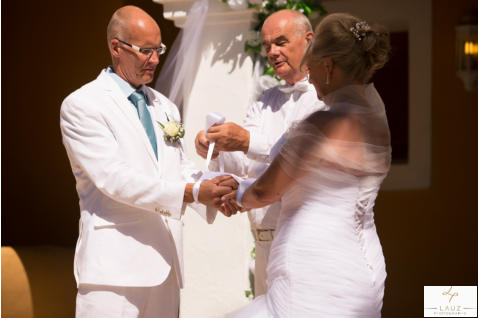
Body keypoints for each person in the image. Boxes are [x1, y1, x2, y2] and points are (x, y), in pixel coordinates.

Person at [60, 6, 236, 318]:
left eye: (159, 49)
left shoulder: (164, 106)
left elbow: (176, 169)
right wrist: (194, 192)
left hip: (165, 268)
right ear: (116, 47)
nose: (155, 59)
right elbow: (114, 179)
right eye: (145, 51)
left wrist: (215, 187)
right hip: (112, 273)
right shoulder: (82, 105)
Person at [225, 12, 392, 317]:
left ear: (327, 66)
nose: (309, 74)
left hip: (312, 265)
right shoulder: (376, 112)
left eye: (311, 64)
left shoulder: (325, 122)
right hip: (364, 264)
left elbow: (266, 191)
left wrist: (234, 195)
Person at [195, 9, 326, 296]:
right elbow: (242, 163)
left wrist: (245, 139)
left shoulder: (325, 97)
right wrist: (214, 146)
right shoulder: (267, 100)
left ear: (309, 40)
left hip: (308, 244)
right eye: (267, 46)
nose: (273, 52)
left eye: (280, 42)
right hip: (265, 242)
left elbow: (295, 154)